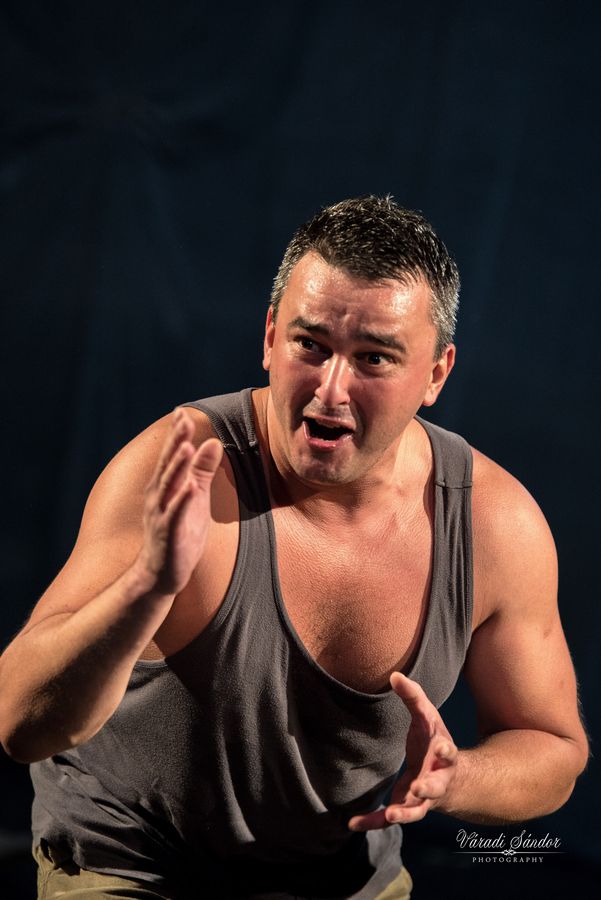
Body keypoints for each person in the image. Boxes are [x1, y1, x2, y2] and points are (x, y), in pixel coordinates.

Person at [0, 196, 588, 900]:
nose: (330, 389)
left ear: (436, 374)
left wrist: (456, 778)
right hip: (132, 865)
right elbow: (19, 723)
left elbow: (552, 748)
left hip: (342, 882)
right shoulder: (182, 470)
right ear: (271, 337)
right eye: (310, 345)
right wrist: (145, 587)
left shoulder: (492, 523)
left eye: (373, 358)